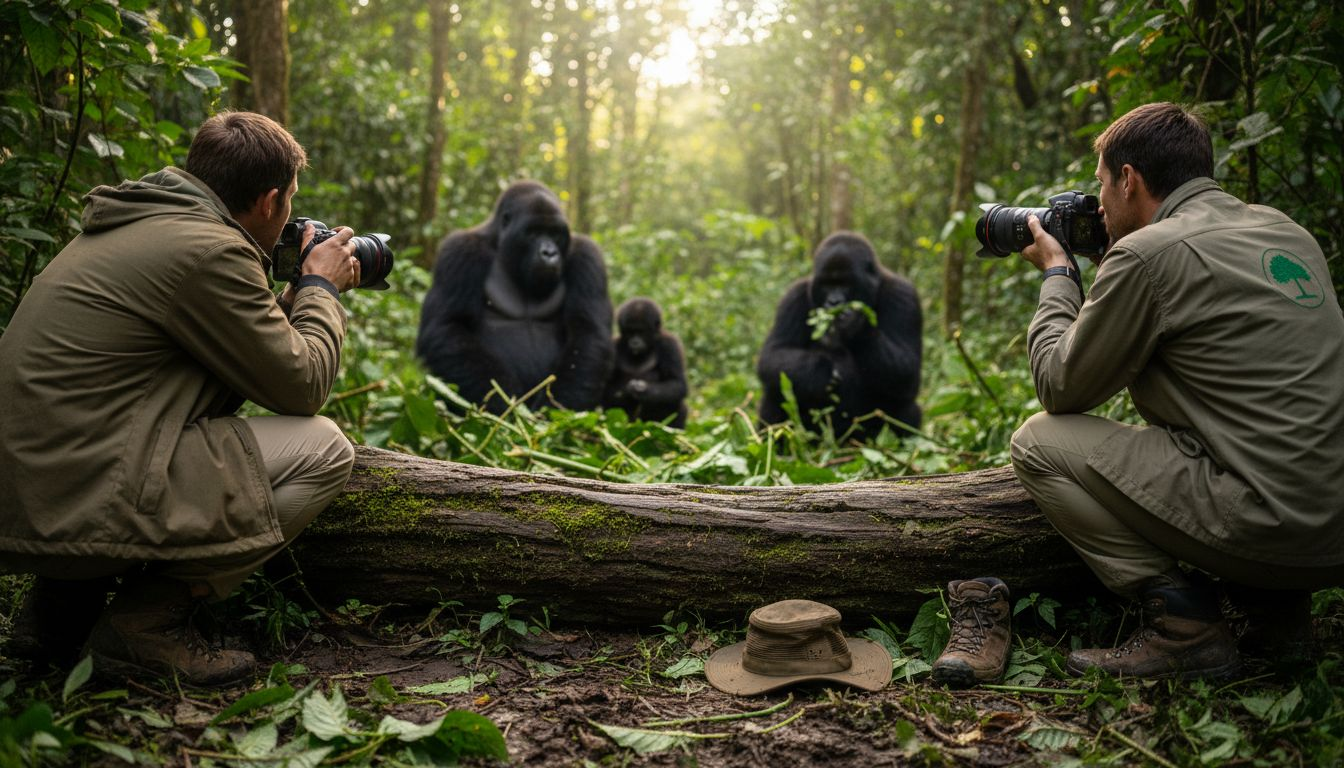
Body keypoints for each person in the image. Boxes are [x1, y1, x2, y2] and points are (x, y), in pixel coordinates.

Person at [934, 102, 1344, 686]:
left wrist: (1059, 273)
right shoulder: (1285, 231)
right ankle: (1277, 612)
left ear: (1129, 179)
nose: (1098, 204)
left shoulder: (1147, 255)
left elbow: (1059, 385)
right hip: (1333, 533)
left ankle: (1184, 625)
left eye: (1101, 184)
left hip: (1271, 527)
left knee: (1037, 441)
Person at [0, 111, 363, 685]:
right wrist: (321, 288)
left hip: (37, 487)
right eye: (291, 199)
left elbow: (193, 364)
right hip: (73, 497)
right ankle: (144, 623)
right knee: (324, 450)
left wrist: (289, 299)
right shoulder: (210, 251)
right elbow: (303, 386)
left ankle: (60, 608)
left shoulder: (142, 220)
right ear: (270, 201)